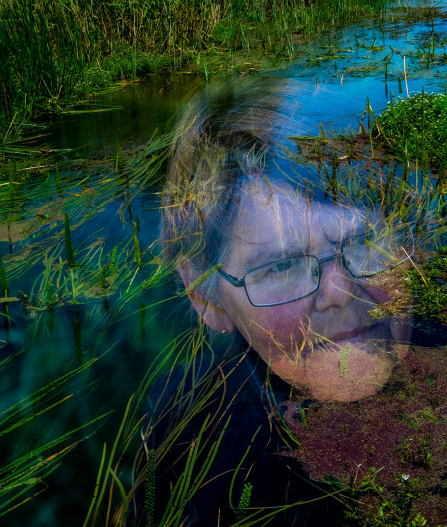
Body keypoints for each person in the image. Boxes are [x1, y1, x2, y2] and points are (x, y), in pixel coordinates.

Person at [128, 79, 430, 525]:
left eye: (366, 241)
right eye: (283, 266)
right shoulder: (188, 461)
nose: (341, 292)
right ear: (206, 300)